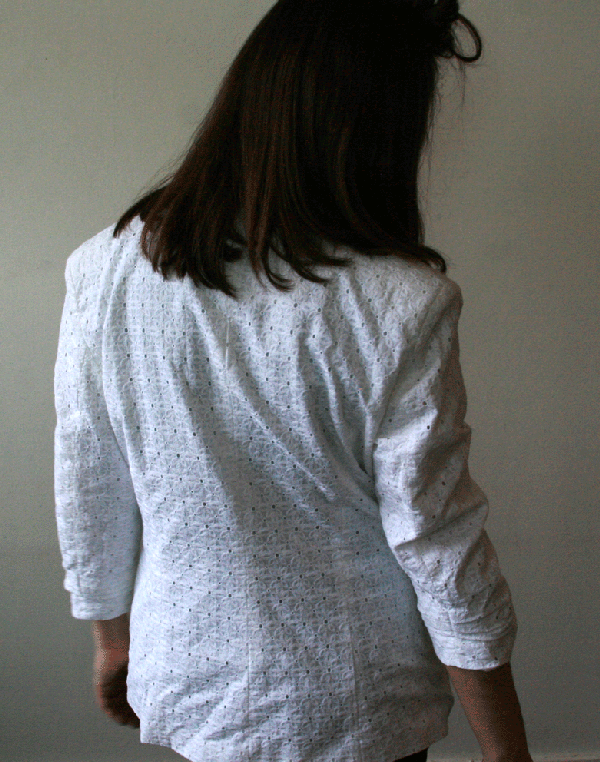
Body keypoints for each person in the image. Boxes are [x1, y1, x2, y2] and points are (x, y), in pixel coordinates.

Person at [53, 1, 534, 761]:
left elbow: (89, 476)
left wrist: (111, 639)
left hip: (192, 682)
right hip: (354, 707)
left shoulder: (104, 271)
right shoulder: (401, 304)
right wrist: (506, 751)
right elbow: (438, 541)